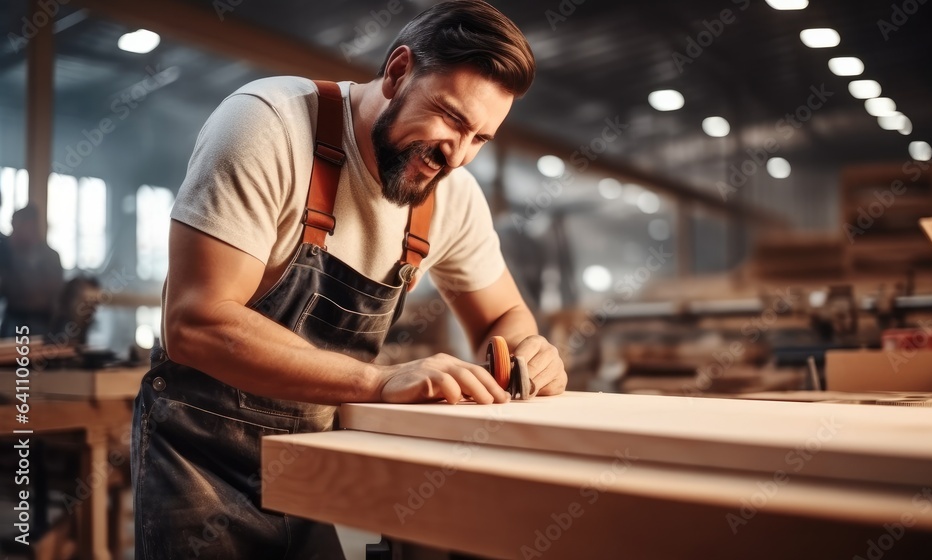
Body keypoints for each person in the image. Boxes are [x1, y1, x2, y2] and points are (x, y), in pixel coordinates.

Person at [131, 1, 567, 558]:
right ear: (397, 72)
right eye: (452, 119)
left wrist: (524, 353)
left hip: (315, 461)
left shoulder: (451, 196)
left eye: (480, 138)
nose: (455, 156)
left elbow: (504, 317)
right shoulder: (269, 124)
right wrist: (379, 382)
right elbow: (196, 322)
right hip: (199, 459)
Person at [0, 204, 64, 338]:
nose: (14, 231)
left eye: (19, 225)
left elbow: (54, 292)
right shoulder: (7, 253)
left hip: (41, 323)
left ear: (32, 225)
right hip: (13, 321)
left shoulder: (50, 257)